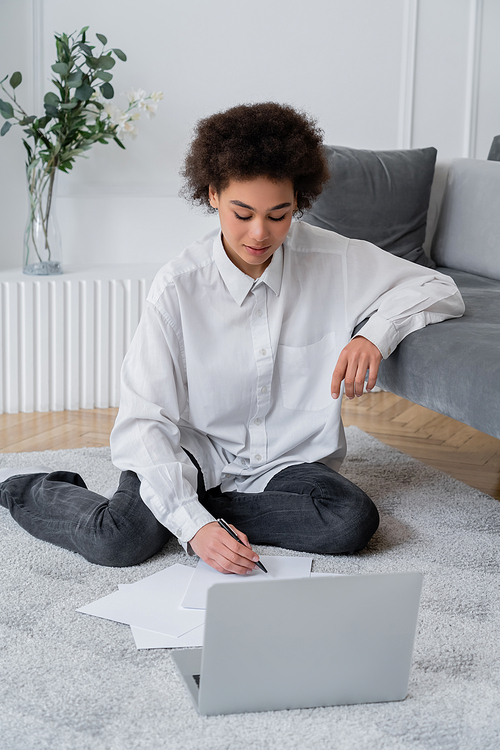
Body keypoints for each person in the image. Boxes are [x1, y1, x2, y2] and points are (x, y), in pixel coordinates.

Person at [0, 102, 464, 574]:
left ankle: (183, 516)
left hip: (283, 465)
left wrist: (374, 336)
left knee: (350, 521)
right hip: (194, 453)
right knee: (118, 543)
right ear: (214, 194)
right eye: (243, 213)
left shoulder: (333, 259)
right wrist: (193, 524)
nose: (260, 234)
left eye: (279, 215)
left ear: (298, 204)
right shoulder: (178, 286)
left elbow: (436, 287)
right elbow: (143, 421)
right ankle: (29, 487)